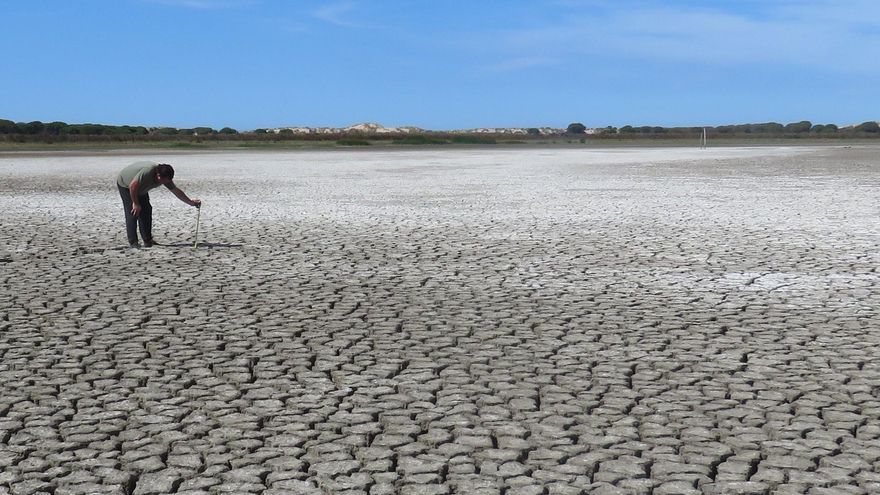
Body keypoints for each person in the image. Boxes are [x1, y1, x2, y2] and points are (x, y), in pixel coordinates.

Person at [116, 161, 201, 248]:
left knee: (146, 210)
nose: (164, 182)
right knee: (133, 212)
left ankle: (147, 240)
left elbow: (175, 191)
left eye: (167, 180)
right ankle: (133, 242)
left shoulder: (165, 178)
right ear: (158, 175)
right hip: (126, 184)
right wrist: (135, 203)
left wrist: (191, 202)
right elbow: (133, 186)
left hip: (141, 188)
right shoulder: (147, 172)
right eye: (163, 180)